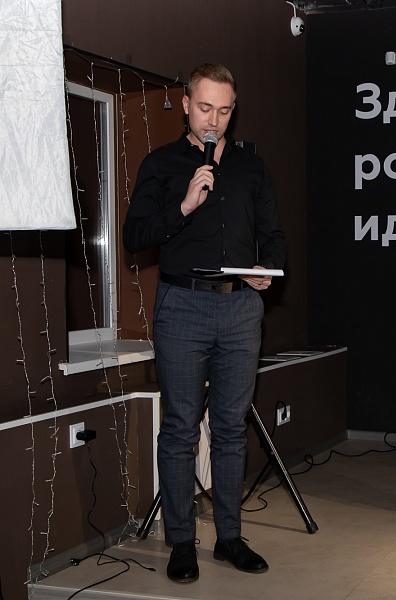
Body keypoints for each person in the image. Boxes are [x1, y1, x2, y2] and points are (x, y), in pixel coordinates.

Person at [123, 63, 287, 582]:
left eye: (224, 110)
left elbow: (274, 235)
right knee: (179, 427)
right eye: (204, 108)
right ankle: (180, 543)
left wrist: (266, 270)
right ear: (186, 104)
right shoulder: (161, 164)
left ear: (233, 111)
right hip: (182, 306)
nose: (213, 120)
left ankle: (230, 538)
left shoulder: (251, 167)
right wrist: (184, 205)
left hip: (241, 309)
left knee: (231, 429)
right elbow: (134, 237)